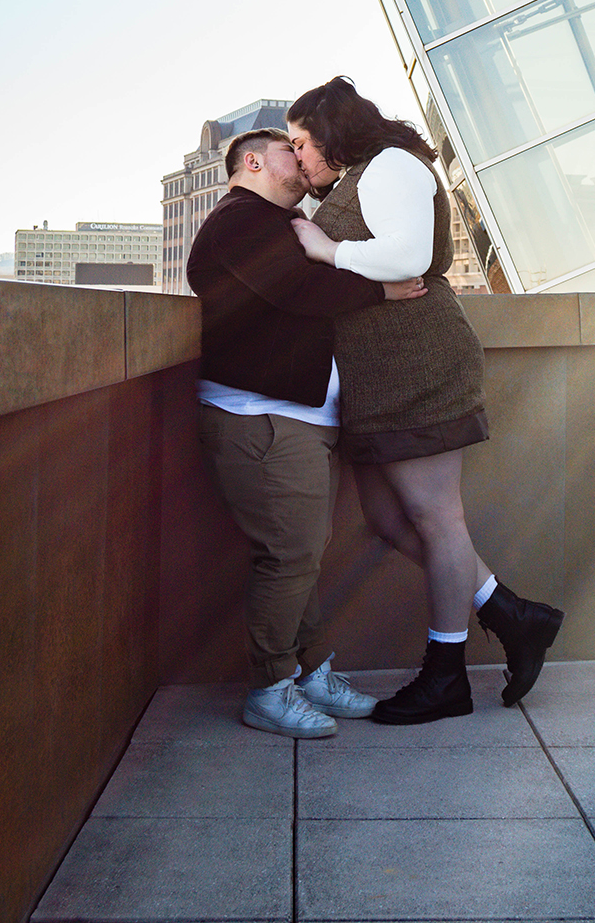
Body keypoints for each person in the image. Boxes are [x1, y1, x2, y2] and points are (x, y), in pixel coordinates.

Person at [287, 77, 563, 724]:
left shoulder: (392, 166)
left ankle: (447, 676)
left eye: (301, 142)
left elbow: (408, 256)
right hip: (378, 379)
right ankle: (510, 615)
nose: (298, 156)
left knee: (439, 520)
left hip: (419, 367)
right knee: (389, 519)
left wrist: (324, 247)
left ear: (331, 130)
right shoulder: (358, 177)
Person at [186, 126, 425, 739]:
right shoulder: (240, 219)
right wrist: (381, 288)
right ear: (256, 160)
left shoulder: (273, 222)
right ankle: (270, 689)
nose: (305, 156)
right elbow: (297, 290)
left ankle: (309, 671)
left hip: (295, 416)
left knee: (302, 559)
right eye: (293, 149)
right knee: (289, 557)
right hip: (260, 417)